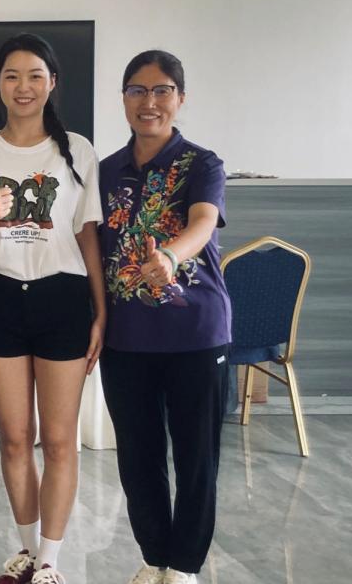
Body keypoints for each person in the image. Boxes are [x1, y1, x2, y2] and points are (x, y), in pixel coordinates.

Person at [0, 33, 106, 584]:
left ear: (52, 83)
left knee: (60, 440)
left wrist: (100, 311)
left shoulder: (78, 151)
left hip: (63, 297)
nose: (24, 86)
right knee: (15, 437)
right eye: (12, 76)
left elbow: (87, 236)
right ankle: (25, 551)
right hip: (0, 295)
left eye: (35, 75)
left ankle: (50, 562)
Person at [98, 50, 231, 584]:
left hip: (196, 334)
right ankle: (154, 556)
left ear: (180, 98)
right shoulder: (106, 171)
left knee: (197, 459)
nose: (148, 102)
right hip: (127, 339)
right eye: (137, 90)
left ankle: (184, 567)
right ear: (123, 98)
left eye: (161, 90)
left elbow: (203, 222)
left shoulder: (202, 164)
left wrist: (171, 256)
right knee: (137, 458)